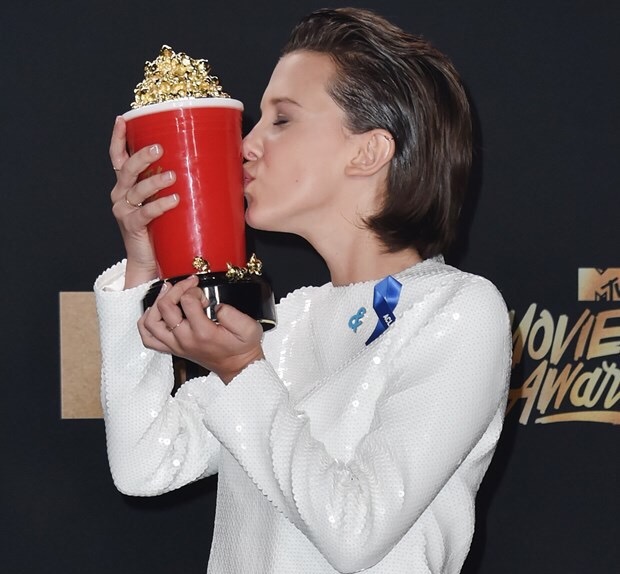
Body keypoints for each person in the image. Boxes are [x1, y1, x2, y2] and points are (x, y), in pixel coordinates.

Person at [95, 7, 511, 573]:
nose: (246, 145)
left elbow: (356, 530)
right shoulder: (289, 320)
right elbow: (145, 464)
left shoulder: (457, 311)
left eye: (282, 119)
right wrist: (144, 265)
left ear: (369, 151)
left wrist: (241, 371)